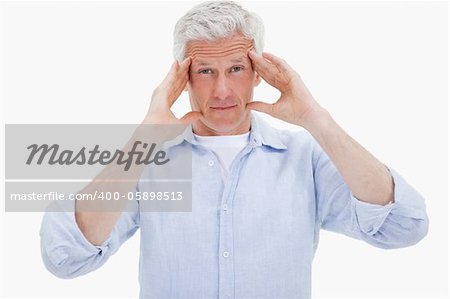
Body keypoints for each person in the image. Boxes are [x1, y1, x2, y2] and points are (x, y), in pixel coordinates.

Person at [40, 1, 429, 298]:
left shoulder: (304, 156)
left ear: (258, 72)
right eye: (206, 71)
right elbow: (66, 256)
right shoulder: (147, 161)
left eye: (236, 69)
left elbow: (404, 226)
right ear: (182, 79)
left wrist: (316, 118)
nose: (222, 90)